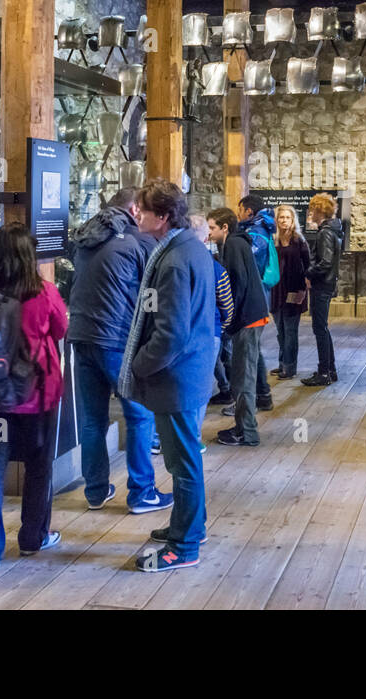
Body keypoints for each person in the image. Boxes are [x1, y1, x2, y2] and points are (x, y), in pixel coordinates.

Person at [121, 179, 219, 571]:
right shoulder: (186, 248)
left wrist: (139, 364)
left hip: (176, 377)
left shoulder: (176, 260)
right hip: (187, 373)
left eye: (143, 210)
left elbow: (170, 333)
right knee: (185, 459)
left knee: (182, 463)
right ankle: (190, 524)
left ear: (162, 217)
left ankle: (185, 545)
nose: (136, 214)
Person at [0, 223, 68, 572]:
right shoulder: (44, 292)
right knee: (39, 466)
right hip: (37, 396)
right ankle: (33, 538)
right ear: (30, 255)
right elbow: (60, 330)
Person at [65, 187, 170, 514]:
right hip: (117, 338)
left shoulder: (86, 240)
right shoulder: (137, 241)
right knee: (140, 415)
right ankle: (142, 492)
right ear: (134, 209)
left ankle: (96, 490)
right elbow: (151, 296)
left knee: (93, 419)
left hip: (81, 336)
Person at [208, 207, 269, 446]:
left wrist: (229, 320)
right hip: (251, 316)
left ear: (225, 227)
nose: (209, 232)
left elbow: (237, 284)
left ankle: (247, 432)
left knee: (243, 377)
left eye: (212, 227)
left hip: (247, 318)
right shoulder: (236, 243)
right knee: (244, 374)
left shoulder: (233, 245)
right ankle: (244, 427)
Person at [191, 214, 235, 407]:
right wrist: (221, 327)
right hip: (210, 330)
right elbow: (226, 304)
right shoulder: (216, 268)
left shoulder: (172, 264)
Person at [237, 194, 277, 409]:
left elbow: (247, 261)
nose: (238, 214)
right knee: (253, 349)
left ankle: (250, 402)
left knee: (249, 352)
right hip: (258, 295)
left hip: (255, 296)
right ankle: (262, 395)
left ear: (249, 212)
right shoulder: (260, 229)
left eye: (240, 209)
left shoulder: (256, 233)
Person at [301, 193, 341, 387]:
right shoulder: (332, 230)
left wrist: (309, 274)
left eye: (312, 210)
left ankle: (324, 372)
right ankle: (330, 369)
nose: (310, 213)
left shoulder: (325, 233)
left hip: (321, 285)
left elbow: (324, 262)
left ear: (318, 210)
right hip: (327, 283)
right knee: (322, 328)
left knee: (320, 328)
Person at [270, 205, 310, 380]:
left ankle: (290, 367)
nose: (284, 220)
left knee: (291, 330)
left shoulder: (299, 240)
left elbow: (308, 265)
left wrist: (304, 289)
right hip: (277, 290)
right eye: (281, 217)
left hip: (294, 288)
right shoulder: (273, 240)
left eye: (287, 217)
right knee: (280, 330)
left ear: (293, 220)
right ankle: (282, 363)